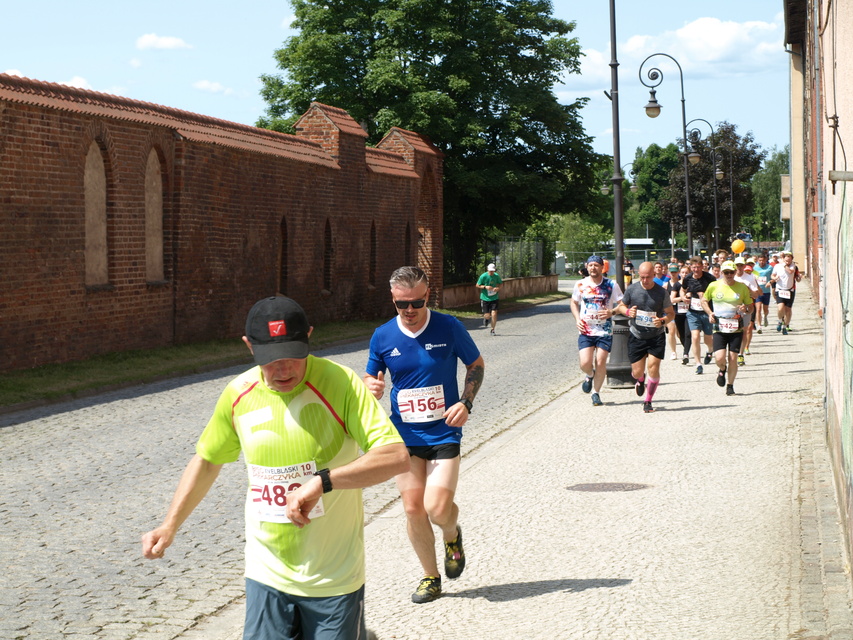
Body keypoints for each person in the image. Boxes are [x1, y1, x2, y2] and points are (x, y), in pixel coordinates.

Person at [142, 296, 409, 640]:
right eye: (269, 359)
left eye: (292, 356)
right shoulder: (238, 393)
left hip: (333, 573)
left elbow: (394, 455)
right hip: (266, 569)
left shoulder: (341, 383)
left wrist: (323, 482)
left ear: (310, 337)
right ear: (248, 345)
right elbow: (208, 460)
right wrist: (170, 524)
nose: (282, 369)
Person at [364, 266, 485, 604]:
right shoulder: (383, 336)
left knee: (436, 507)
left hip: (444, 431)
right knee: (413, 508)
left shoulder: (449, 326)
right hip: (404, 436)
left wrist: (466, 402)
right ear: (393, 299)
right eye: (402, 304)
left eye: (417, 302)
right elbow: (370, 377)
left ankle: (451, 533)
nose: (410, 311)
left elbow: (476, 365)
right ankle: (430, 577)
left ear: (427, 294)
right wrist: (369, 385)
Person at [614, 262, 675, 413]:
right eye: (642, 277)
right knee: (637, 372)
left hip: (656, 335)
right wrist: (628, 312)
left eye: (648, 277)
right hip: (637, 335)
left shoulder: (661, 292)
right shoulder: (632, 289)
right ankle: (640, 380)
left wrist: (662, 321)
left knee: (653, 368)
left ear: (654, 275)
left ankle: (648, 401)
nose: (645, 280)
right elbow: (621, 306)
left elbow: (670, 313)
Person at [570, 255, 623, 407]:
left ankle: (596, 393)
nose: (593, 268)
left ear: (602, 267)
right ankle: (589, 374)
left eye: (596, 265)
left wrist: (611, 312)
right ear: (587, 267)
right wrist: (577, 319)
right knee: (585, 363)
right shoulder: (580, 284)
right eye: (590, 265)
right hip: (586, 329)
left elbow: (622, 304)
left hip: (604, 330)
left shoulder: (611, 285)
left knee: (600, 362)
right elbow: (573, 303)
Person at [701, 261, 755, 396]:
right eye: (726, 272)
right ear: (721, 273)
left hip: (736, 328)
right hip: (719, 328)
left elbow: (751, 307)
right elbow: (704, 301)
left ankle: (730, 386)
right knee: (719, 358)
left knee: (733, 357)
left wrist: (746, 308)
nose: (729, 275)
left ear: (735, 272)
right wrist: (709, 313)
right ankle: (722, 369)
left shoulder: (742, 287)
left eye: (731, 272)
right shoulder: (714, 286)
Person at [681, 256, 718, 375]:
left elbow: (717, 292)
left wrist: (705, 296)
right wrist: (684, 297)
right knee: (695, 336)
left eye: (698, 267)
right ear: (690, 267)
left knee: (708, 338)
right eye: (693, 267)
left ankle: (710, 350)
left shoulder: (710, 278)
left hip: (707, 312)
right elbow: (682, 289)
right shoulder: (687, 278)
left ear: (702, 267)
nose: (696, 270)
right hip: (693, 312)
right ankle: (698, 364)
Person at [733, 256, 761, 363]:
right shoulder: (730, 276)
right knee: (733, 331)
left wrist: (747, 288)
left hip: (746, 307)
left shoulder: (750, 277)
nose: (739, 267)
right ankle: (733, 352)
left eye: (741, 265)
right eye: (737, 265)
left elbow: (756, 295)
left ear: (745, 266)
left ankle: (740, 354)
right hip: (733, 308)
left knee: (744, 331)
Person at [771, 251, 801, 334]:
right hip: (780, 289)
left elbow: (790, 272)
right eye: (786, 260)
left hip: (790, 290)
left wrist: (784, 265)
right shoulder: (777, 266)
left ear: (792, 260)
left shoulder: (793, 266)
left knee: (788, 310)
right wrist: (775, 277)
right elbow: (772, 275)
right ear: (783, 259)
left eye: (789, 261)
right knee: (780, 308)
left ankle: (785, 326)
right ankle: (780, 320)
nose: (788, 262)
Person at [669, 265, 693, 365]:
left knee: (688, 334)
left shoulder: (692, 284)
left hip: (690, 312)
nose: (684, 274)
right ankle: (686, 349)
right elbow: (672, 299)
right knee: (681, 335)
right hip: (679, 313)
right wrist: (682, 298)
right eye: (682, 272)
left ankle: (685, 354)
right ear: (680, 273)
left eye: (686, 273)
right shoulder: (676, 285)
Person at [476, 263, 502, 336]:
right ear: (487, 270)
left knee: (494, 314)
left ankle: (492, 330)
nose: (491, 272)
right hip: (485, 298)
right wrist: (485, 287)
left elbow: (500, 284)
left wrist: (498, 288)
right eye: (490, 271)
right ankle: (486, 319)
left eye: (493, 271)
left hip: (494, 297)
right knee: (487, 315)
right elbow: (477, 285)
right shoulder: (483, 276)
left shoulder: (496, 276)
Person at [752, 253, 774, 331]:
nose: (762, 262)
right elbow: (752, 278)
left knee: (765, 309)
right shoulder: (754, 268)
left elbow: (773, 277)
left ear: (766, 260)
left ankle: (765, 316)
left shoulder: (770, 268)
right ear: (758, 260)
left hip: (766, 292)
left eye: (763, 260)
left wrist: (770, 282)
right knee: (758, 309)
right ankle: (759, 326)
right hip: (757, 292)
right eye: (760, 260)